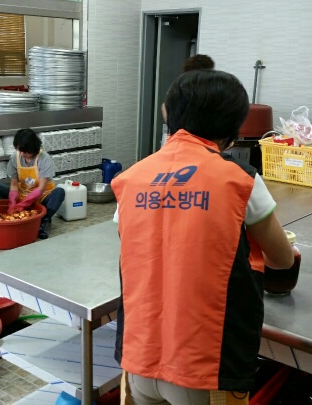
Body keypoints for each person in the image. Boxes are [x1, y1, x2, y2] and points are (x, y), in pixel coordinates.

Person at [112, 70, 295, 405]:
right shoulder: (239, 179)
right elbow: (282, 259)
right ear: (233, 127)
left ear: (170, 114)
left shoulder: (131, 178)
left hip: (139, 356)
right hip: (203, 365)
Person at [0, 128, 65, 239]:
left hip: (42, 197)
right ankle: (10, 213)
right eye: (20, 150)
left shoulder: (44, 158)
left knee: (60, 192)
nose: (22, 154)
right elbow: (13, 184)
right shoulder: (15, 157)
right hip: (22, 193)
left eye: (25, 151)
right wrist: (12, 202)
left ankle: (41, 222)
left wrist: (23, 204)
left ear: (33, 148)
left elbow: (41, 188)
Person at [160, 54, 216, 145]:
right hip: (194, 144)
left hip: (174, 142)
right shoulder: (204, 94)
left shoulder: (177, 89)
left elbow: (165, 108)